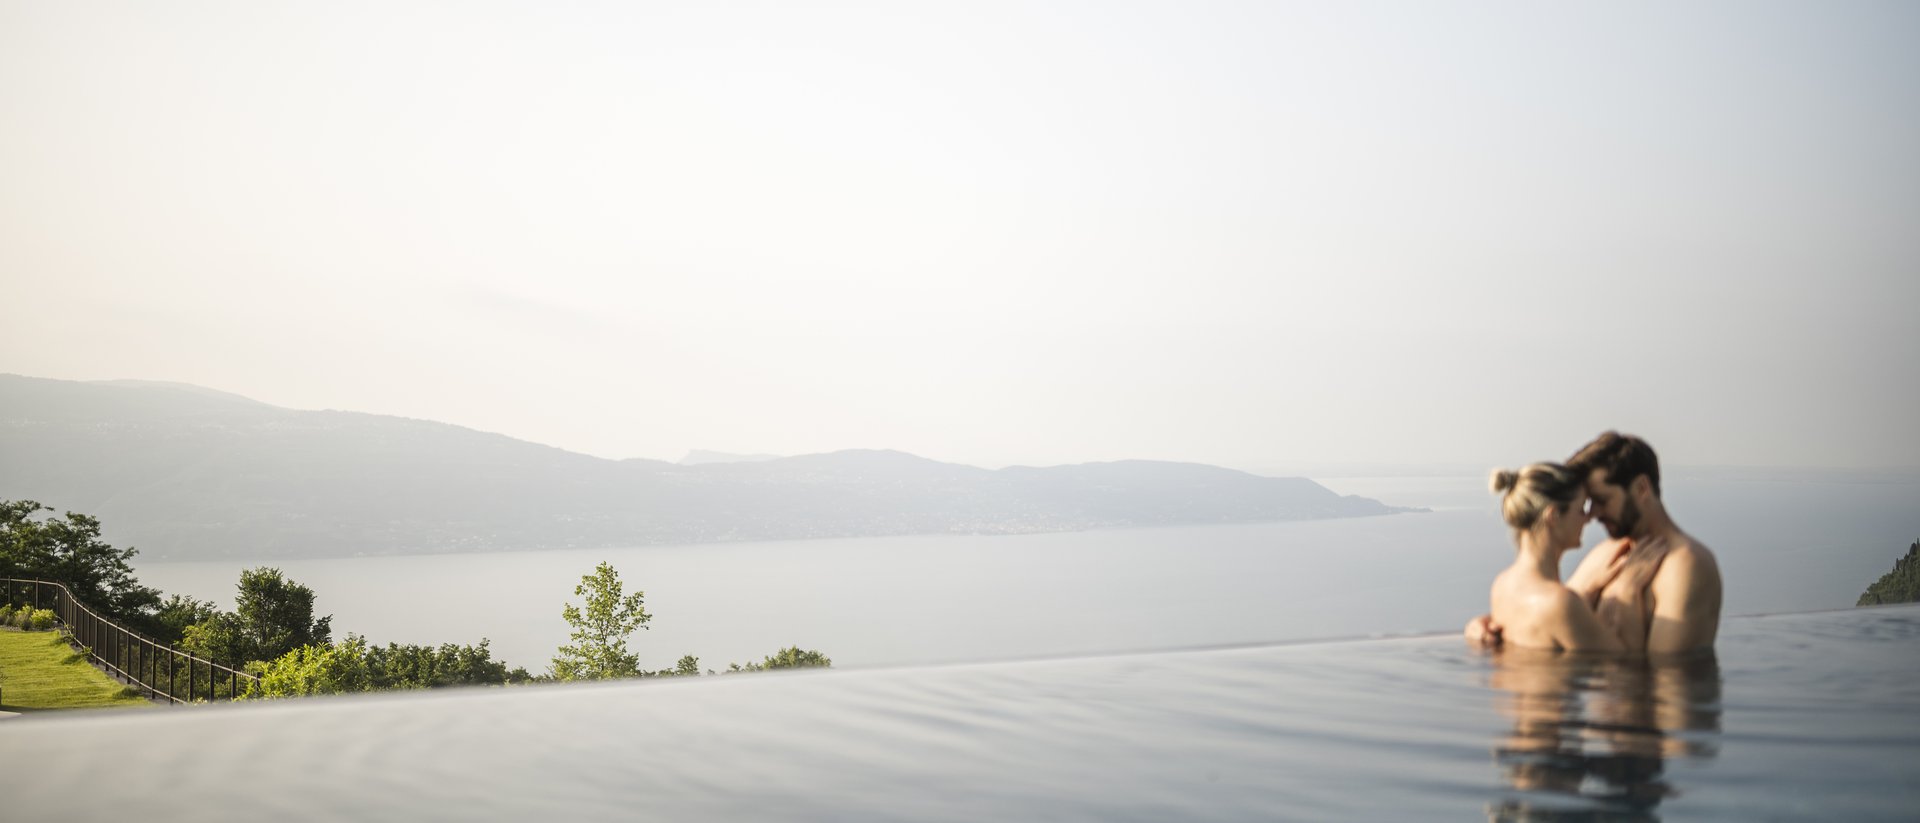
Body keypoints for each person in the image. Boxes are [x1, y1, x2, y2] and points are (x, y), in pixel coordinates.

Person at [1468, 432, 1723, 654]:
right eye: (1587, 504)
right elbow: (1549, 618)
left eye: (1601, 500)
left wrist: (1626, 591)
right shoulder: (1603, 556)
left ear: (1642, 488)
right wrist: (1484, 627)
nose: (1593, 514)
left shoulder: (1686, 565)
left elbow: (1663, 677)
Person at [1475, 462, 1665, 652]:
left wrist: (1587, 591)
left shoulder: (1501, 585)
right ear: (1553, 516)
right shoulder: (1561, 603)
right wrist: (1629, 588)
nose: (1588, 518)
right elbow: (1628, 662)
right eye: (1581, 509)